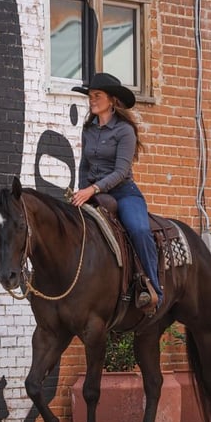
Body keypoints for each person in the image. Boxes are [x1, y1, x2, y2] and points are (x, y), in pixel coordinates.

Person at [70, 72, 163, 313]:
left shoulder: (124, 131)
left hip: (123, 192)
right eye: (90, 96)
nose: (92, 100)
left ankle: (152, 288)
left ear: (111, 100)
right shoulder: (88, 129)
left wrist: (93, 189)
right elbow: (84, 165)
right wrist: (82, 191)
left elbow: (121, 171)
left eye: (97, 95)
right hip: (93, 192)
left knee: (140, 230)